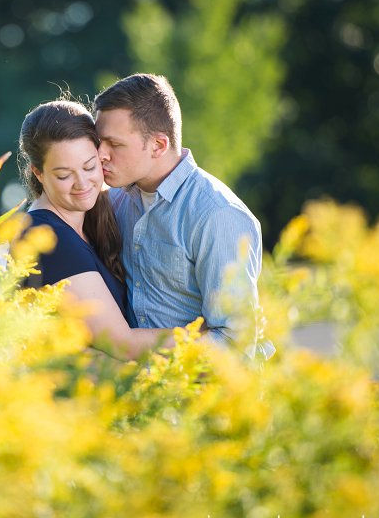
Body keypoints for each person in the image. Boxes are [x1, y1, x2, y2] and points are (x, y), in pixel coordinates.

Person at [93, 73, 270, 357]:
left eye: (114, 144)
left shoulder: (217, 214)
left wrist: (130, 347)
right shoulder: (114, 202)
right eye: (98, 142)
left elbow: (236, 344)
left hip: (204, 396)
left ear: (159, 146)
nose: (101, 154)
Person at [17, 100, 175, 360]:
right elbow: (123, 344)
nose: (82, 183)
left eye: (90, 167)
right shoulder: (48, 237)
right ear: (39, 173)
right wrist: (208, 336)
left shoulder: (92, 219)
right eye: (64, 175)